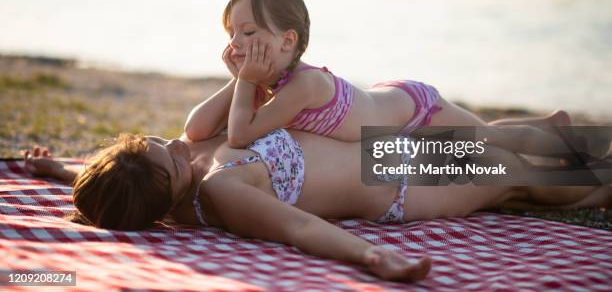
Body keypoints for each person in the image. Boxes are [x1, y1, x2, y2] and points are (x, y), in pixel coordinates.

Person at [22, 123, 610, 283]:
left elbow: (119, 183)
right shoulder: (222, 190)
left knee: (490, 143)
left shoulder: (165, 179)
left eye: (152, 143)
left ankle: (561, 133)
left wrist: (58, 168)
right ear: (163, 193)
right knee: (519, 181)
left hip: (381, 150)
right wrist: (374, 259)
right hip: (401, 180)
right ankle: (600, 184)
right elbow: (299, 229)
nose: (174, 143)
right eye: (168, 157)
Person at [183, 0, 576, 162]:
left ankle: (577, 151)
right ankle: (548, 123)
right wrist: (240, 79)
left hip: (415, 112)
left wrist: (246, 80)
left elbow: (238, 136)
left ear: (288, 41)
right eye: (230, 33)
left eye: (248, 32)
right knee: (481, 137)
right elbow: (197, 131)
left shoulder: (304, 84)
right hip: (386, 114)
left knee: (491, 142)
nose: (235, 43)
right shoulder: (262, 83)